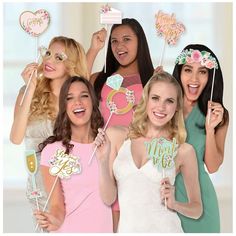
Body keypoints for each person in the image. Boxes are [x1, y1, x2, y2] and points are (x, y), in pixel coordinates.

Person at [95, 72, 203, 233]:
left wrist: (175, 204)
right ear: (145, 100)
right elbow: (108, 198)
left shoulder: (183, 150)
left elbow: (197, 209)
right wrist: (103, 162)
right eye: (155, 98)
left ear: (177, 107)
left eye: (169, 101)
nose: (161, 107)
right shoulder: (117, 137)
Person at [10, 36, 90, 231]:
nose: (49, 60)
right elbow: (16, 137)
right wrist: (30, 89)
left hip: (69, 186)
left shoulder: (77, 100)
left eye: (58, 57)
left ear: (70, 65)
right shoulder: (27, 91)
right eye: (48, 53)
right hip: (38, 187)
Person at [88, 18, 154, 231]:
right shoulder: (99, 79)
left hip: (136, 160)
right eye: (114, 41)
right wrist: (94, 49)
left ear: (140, 42)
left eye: (127, 39)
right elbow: (75, 91)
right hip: (105, 159)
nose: (119, 46)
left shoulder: (153, 79)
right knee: (108, 221)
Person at [34, 76, 113, 232]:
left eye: (84, 96)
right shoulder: (52, 151)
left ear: (93, 102)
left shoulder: (107, 144)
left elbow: (113, 200)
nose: (78, 102)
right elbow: (57, 205)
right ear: (64, 106)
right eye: (70, 98)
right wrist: (54, 219)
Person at [172, 44, 229, 232]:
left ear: (210, 77)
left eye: (202, 72)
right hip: (166, 199)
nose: (194, 78)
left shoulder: (218, 115)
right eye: (188, 70)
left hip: (201, 206)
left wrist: (210, 129)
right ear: (179, 72)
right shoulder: (164, 107)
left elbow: (212, 166)